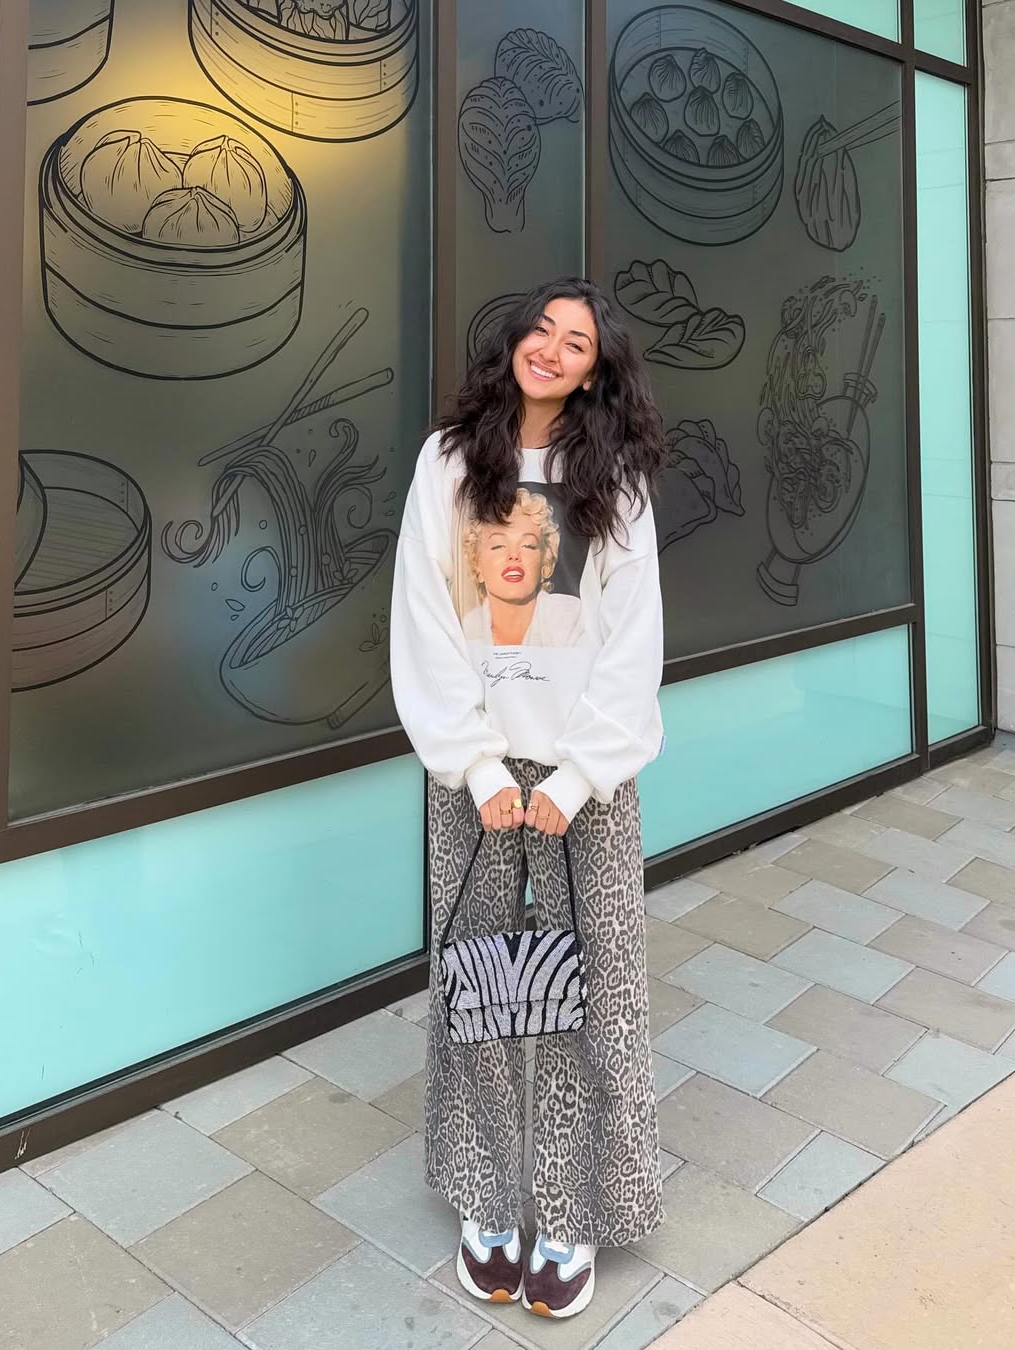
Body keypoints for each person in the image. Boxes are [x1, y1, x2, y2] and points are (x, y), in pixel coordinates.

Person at [390, 276, 667, 1321]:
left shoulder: (617, 477)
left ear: (596, 371)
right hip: (476, 777)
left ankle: (573, 1209)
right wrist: (476, 764)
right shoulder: (449, 462)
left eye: (576, 341)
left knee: (595, 992)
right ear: (515, 342)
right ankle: (489, 1200)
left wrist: (583, 774)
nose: (551, 348)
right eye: (541, 330)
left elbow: (633, 633)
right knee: (480, 991)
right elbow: (424, 612)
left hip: (583, 785)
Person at [460, 487, 584, 648]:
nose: (514, 555)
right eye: (498, 546)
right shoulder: (466, 628)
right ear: (477, 565)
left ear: (546, 563)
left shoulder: (569, 617)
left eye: (528, 545)